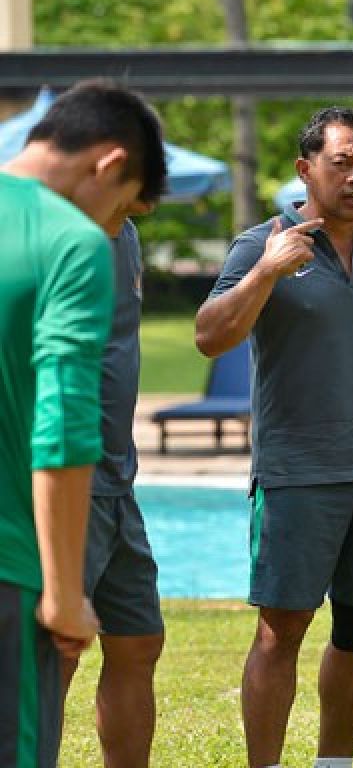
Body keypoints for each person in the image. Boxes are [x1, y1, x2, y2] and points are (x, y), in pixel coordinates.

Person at [195, 106, 353, 768]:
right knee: (281, 629)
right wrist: (266, 272)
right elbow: (211, 336)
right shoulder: (260, 242)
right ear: (306, 170)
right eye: (341, 163)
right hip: (296, 472)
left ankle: (335, 764)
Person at [0, 79, 167, 768]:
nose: (114, 226)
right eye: (121, 206)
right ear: (107, 164)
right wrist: (66, 595)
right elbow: (64, 423)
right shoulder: (72, 241)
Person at [59, 203, 162, 768]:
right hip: (65, 475)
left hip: (118, 480)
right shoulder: (52, 235)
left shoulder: (127, 236)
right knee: (52, 657)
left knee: (138, 640)